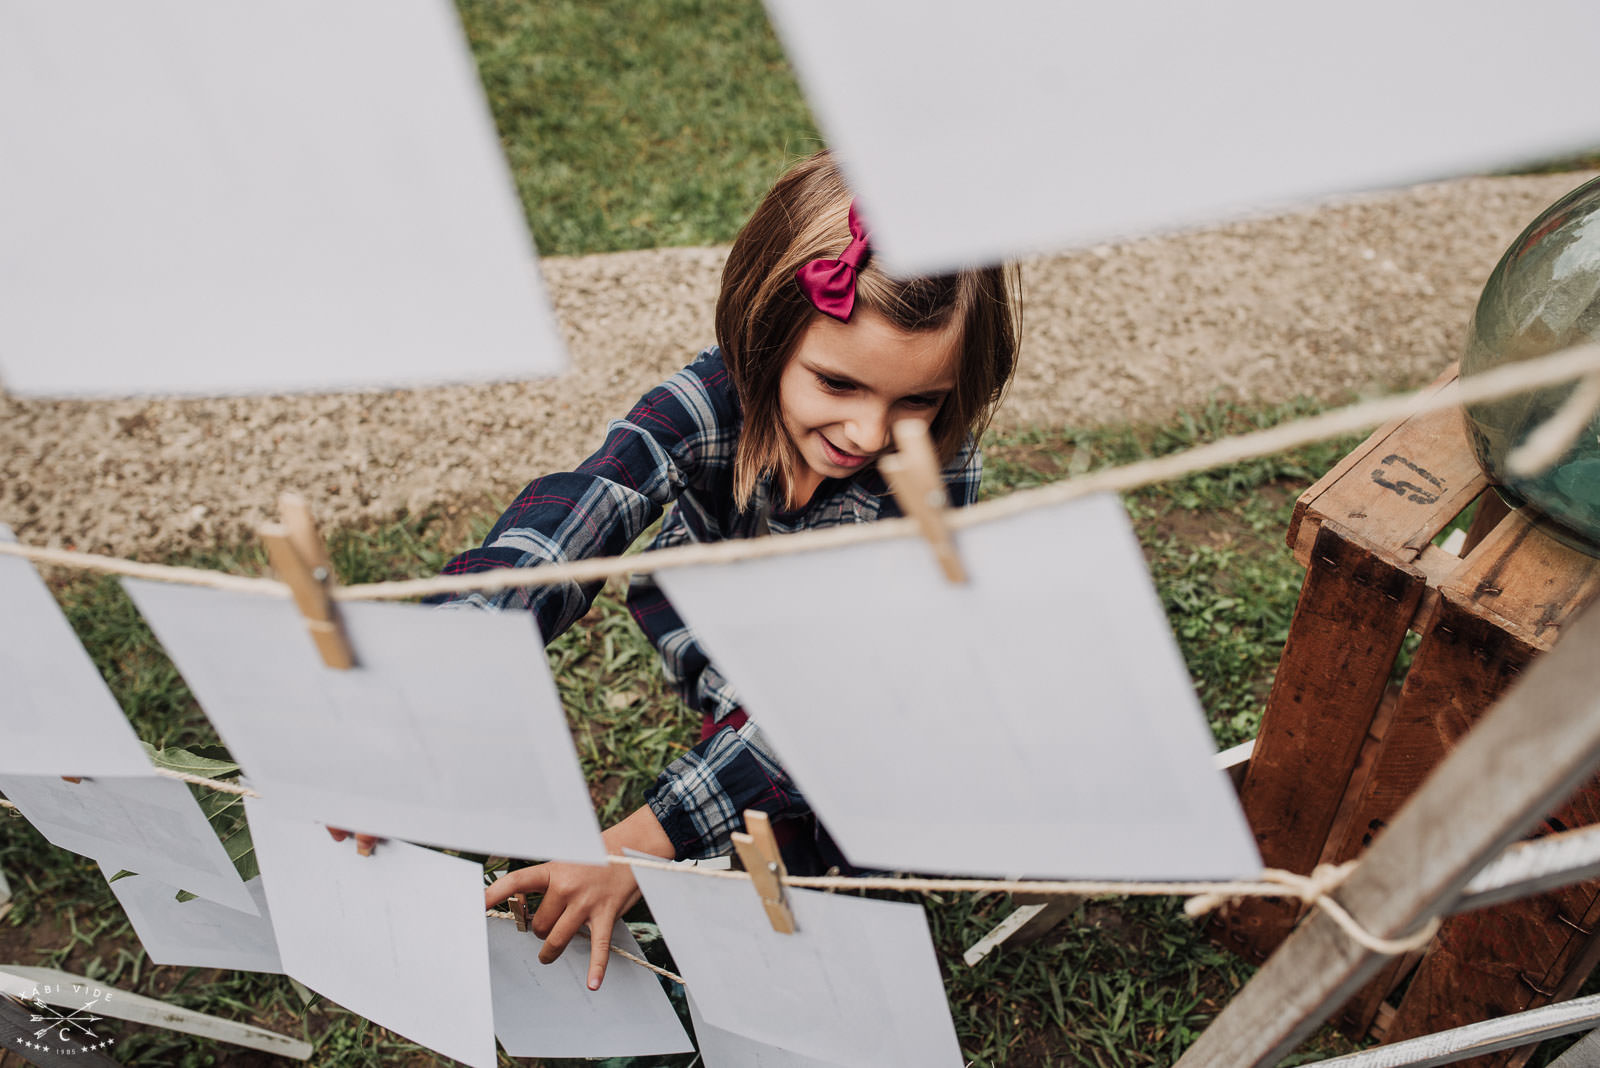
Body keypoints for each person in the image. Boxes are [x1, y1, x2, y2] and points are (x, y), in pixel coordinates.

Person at [441, 150, 1019, 988]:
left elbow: (843, 693)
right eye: (836, 383)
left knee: (852, 824)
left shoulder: (930, 467)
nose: (867, 432)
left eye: (917, 400)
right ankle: (761, 817)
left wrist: (636, 846)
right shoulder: (709, 401)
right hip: (726, 623)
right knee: (753, 749)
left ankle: (825, 885)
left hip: (882, 673)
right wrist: (447, 656)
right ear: (764, 335)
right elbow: (580, 512)